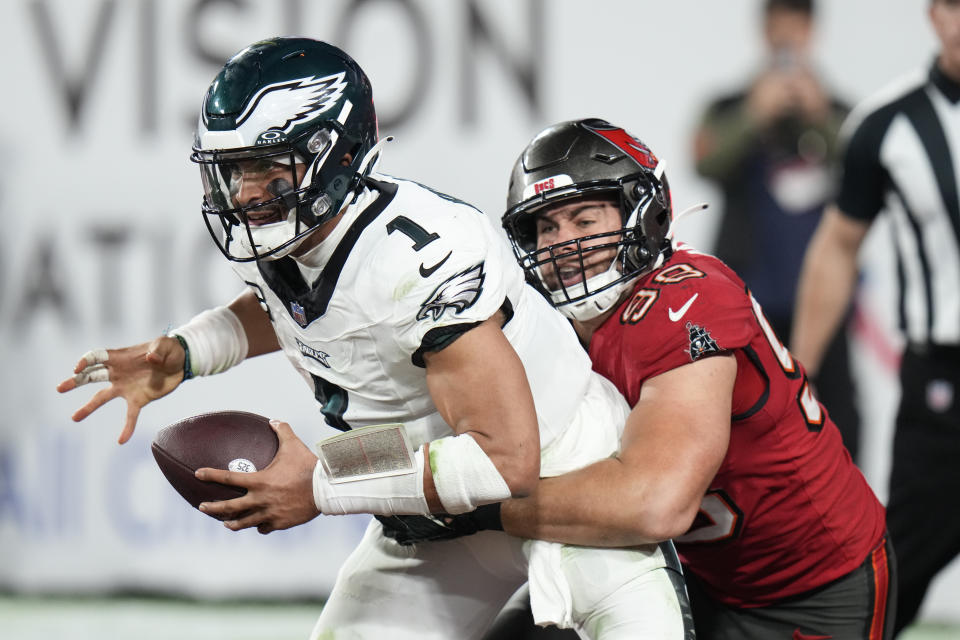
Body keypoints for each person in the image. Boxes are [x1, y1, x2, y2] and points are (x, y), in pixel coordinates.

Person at [56, 38, 693, 640]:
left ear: (333, 156)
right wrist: (188, 350)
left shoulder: (418, 258)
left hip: (558, 478)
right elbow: (293, 304)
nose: (246, 192)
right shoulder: (294, 232)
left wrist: (320, 484)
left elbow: (505, 460)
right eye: (232, 171)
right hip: (421, 485)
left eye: (267, 168)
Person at [382, 118, 896, 640]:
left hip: (808, 587)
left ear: (641, 215)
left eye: (584, 220)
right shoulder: (540, 321)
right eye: (547, 228)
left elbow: (656, 501)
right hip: (679, 568)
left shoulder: (689, 300)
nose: (564, 246)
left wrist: (483, 509)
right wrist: (352, 477)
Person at [791, 1, 960, 634]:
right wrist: (797, 368)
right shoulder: (889, 123)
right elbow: (837, 248)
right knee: (890, 580)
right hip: (945, 392)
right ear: (935, 14)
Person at [691, 0, 862, 462]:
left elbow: (866, 168)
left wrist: (820, 117)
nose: (787, 38)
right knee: (744, 425)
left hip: (824, 300)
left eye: (796, 28)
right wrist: (754, 115)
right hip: (748, 301)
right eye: (778, 27)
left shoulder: (841, 111)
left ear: (811, 32)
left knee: (839, 425)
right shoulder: (728, 107)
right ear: (764, 31)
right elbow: (705, 161)